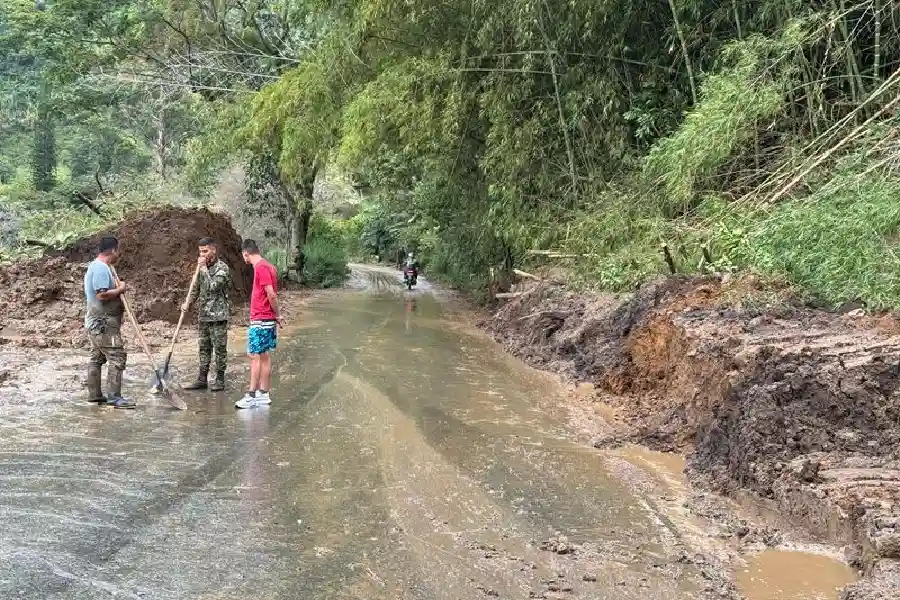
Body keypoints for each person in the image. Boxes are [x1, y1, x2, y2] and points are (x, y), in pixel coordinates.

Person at [84, 236, 135, 409]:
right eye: (117, 250)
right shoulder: (100, 269)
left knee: (97, 357)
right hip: (103, 323)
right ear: (113, 250)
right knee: (116, 356)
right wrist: (120, 289)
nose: (118, 254)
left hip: (97, 322)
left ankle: (95, 395)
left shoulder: (102, 267)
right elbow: (102, 295)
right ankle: (115, 398)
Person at [235, 239, 281, 409]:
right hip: (266, 319)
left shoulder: (261, 267)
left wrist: (278, 314)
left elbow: (271, 294)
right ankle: (264, 394)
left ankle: (252, 395)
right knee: (263, 356)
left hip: (261, 318)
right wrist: (275, 316)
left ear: (246, 253)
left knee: (254, 355)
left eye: (243, 255)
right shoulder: (269, 266)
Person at [183, 238, 232, 392]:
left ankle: (220, 379)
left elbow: (213, 287)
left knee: (219, 349)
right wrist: (188, 304)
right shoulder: (201, 269)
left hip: (218, 316)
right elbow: (196, 288)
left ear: (213, 250)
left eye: (205, 251)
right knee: (203, 348)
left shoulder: (222, 268)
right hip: (203, 315)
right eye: (200, 251)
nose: (202, 255)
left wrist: (203, 269)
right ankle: (202, 379)